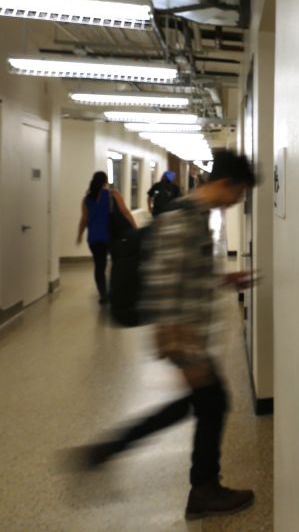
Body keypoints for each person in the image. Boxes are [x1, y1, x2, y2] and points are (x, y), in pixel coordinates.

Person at [77, 150, 258, 520]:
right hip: (183, 337)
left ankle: (112, 450)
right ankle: (202, 489)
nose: (237, 201)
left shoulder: (196, 215)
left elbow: (187, 273)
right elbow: (164, 285)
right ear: (226, 184)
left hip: (189, 335)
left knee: (201, 404)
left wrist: (225, 279)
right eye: (238, 193)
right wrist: (181, 350)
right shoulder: (182, 219)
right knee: (212, 403)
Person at [76, 171, 137, 303]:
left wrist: (79, 235)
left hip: (94, 237)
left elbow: (84, 219)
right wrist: (134, 227)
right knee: (116, 263)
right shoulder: (113, 194)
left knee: (99, 266)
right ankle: (115, 291)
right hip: (111, 235)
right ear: (105, 181)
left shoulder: (86, 199)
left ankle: (103, 294)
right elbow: (125, 212)